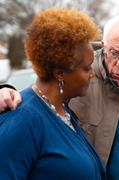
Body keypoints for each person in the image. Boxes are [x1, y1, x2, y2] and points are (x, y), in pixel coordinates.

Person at [1, 14, 119, 180]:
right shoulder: (28, 115)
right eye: (114, 52)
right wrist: (5, 90)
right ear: (104, 46)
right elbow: (38, 96)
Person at [0, 7, 106, 179]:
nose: (92, 74)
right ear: (59, 73)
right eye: (86, 68)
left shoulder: (63, 112)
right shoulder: (23, 120)